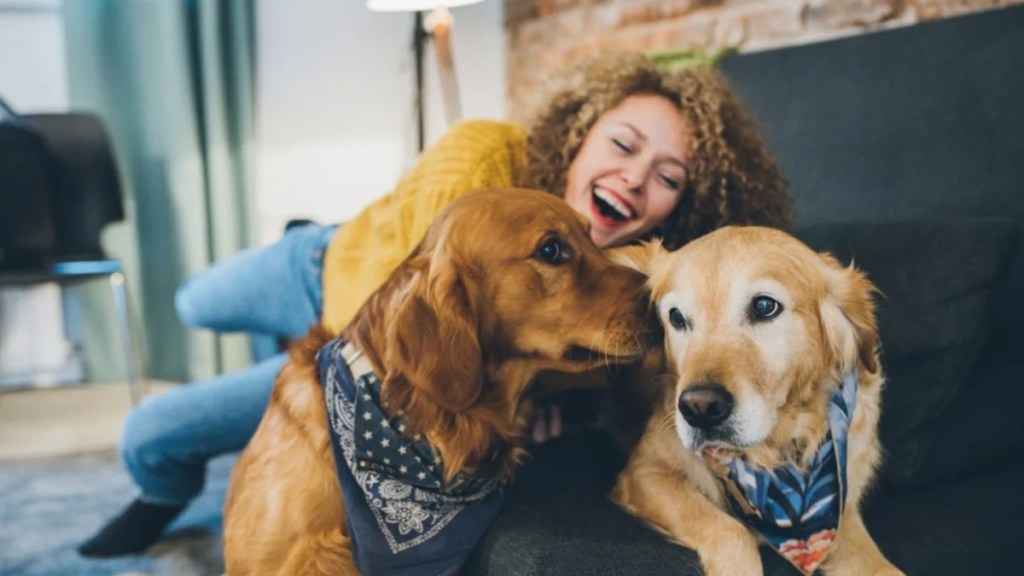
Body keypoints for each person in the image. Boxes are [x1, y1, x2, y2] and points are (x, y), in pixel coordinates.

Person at [78, 51, 790, 557]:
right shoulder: (483, 158)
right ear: (579, 134)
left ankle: (159, 492)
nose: (634, 179)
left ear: (680, 204)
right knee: (192, 299)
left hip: (419, 333)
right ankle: (294, 244)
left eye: (666, 176)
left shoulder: (638, 277)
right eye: (623, 144)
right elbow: (400, 323)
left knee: (156, 433)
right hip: (340, 270)